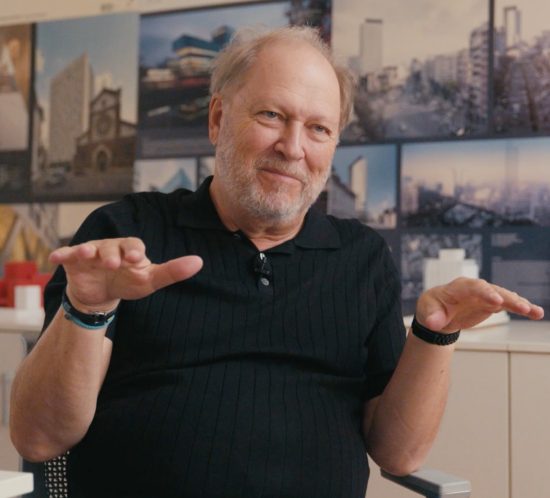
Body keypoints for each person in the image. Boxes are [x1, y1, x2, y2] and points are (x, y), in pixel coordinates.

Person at [10, 26, 543, 498]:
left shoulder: (361, 259)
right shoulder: (126, 236)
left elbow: (399, 455)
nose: (293, 147)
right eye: (272, 115)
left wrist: (434, 335)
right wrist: (88, 308)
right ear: (218, 118)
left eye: (318, 128)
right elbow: (39, 438)